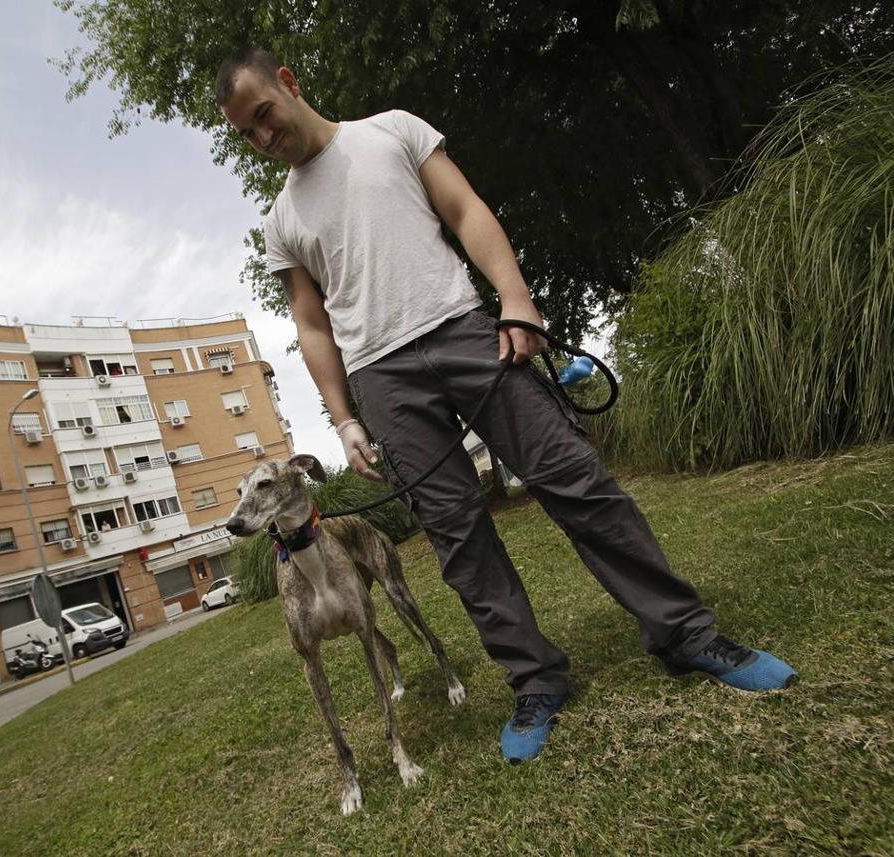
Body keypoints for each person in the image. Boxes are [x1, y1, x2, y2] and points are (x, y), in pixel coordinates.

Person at [215, 47, 796, 763]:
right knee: (459, 539)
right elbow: (311, 323)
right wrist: (343, 417)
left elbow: (463, 208)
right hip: (381, 377)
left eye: (263, 116)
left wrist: (515, 300)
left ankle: (685, 634)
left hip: (463, 330)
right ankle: (535, 679)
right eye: (246, 133)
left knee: (577, 481)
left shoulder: (390, 130)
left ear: (288, 85)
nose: (262, 137)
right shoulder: (281, 219)